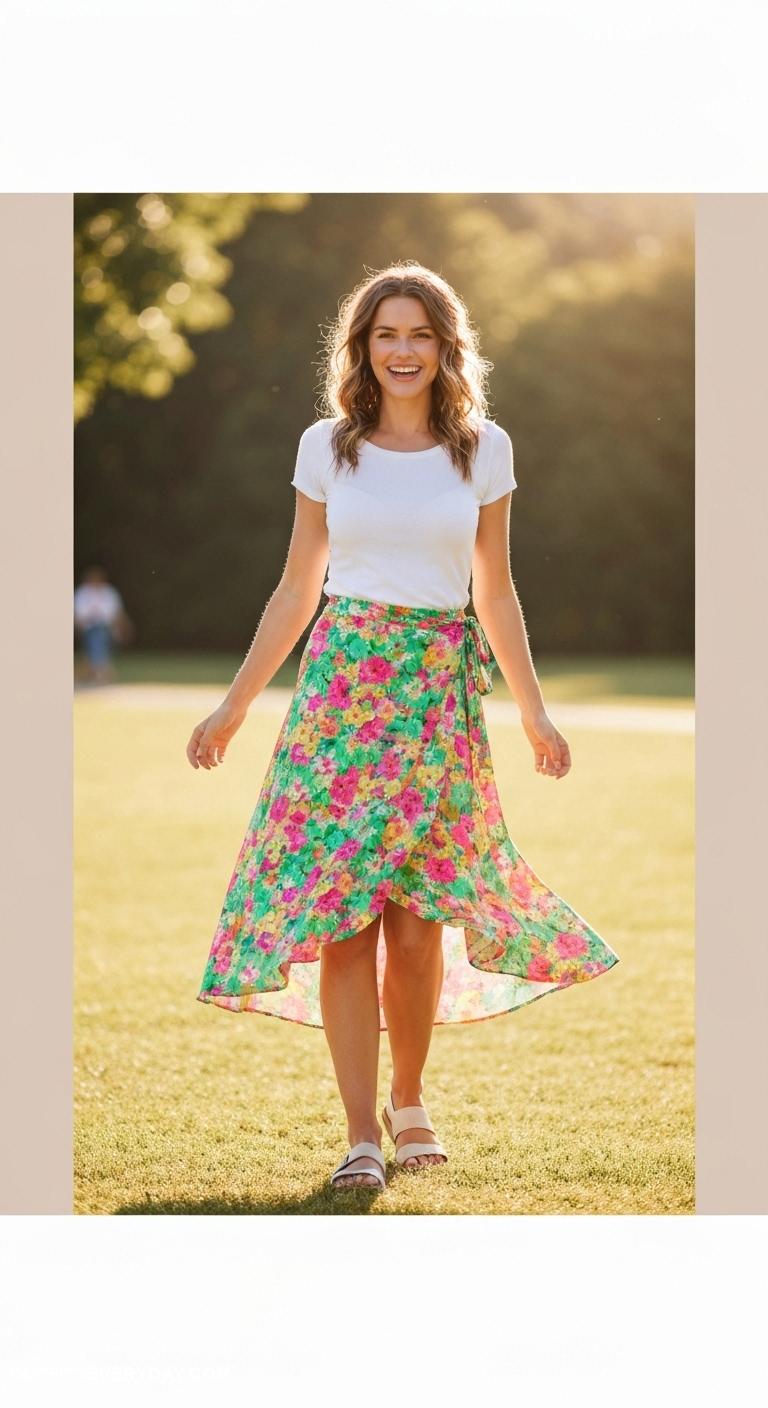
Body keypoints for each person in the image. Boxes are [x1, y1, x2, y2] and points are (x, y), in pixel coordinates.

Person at [187, 261, 620, 1192]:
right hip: (343, 696)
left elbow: (495, 588)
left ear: (445, 345)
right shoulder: (327, 448)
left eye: (419, 333)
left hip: (435, 697)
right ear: (362, 347)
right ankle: (360, 1136)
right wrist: (233, 705)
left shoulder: (482, 450)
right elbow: (299, 586)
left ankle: (411, 1095)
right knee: (346, 922)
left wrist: (534, 711)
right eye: (386, 333)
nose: (403, 350)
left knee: (420, 925)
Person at [74, 565, 134, 684]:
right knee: (97, 634)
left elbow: (118, 614)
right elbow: (78, 616)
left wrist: (125, 628)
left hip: (109, 628)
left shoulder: (110, 593)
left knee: (99, 634)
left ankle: (97, 670)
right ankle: (103, 670)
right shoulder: (82, 593)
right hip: (87, 629)